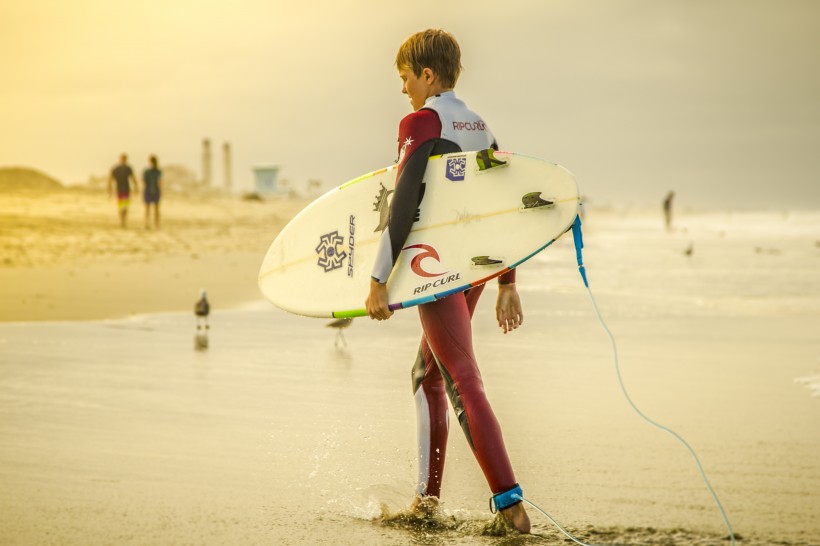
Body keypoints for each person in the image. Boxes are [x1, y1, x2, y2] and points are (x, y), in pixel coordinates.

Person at [365, 29, 530, 533]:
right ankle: (427, 502)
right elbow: (499, 205)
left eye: (406, 77)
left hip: (435, 267)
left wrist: (378, 279)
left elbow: (405, 202)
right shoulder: (480, 127)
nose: (403, 89)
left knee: (460, 377)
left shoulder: (422, 121)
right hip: (473, 268)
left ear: (427, 75)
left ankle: (511, 506)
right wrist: (506, 281)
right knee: (428, 373)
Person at [108, 153, 139, 228]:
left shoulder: (122, 168)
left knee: (123, 206)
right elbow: (110, 179)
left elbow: (110, 180)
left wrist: (109, 189)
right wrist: (136, 187)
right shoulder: (122, 168)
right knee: (123, 206)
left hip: (123, 190)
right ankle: (122, 220)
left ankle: (122, 220)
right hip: (123, 190)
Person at [142, 155, 162, 229]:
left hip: (154, 191)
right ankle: (147, 223)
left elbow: (160, 181)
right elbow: (144, 181)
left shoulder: (158, 171)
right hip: (149, 191)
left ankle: (156, 224)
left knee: (155, 208)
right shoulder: (147, 171)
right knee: (148, 208)